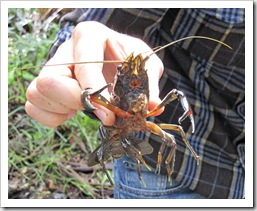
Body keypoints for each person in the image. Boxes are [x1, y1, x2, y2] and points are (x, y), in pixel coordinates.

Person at [25, 8, 245, 199]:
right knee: (136, 144)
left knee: (174, 137)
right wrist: (74, 65)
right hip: (172, 170)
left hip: (210, 151)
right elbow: (95, 25)